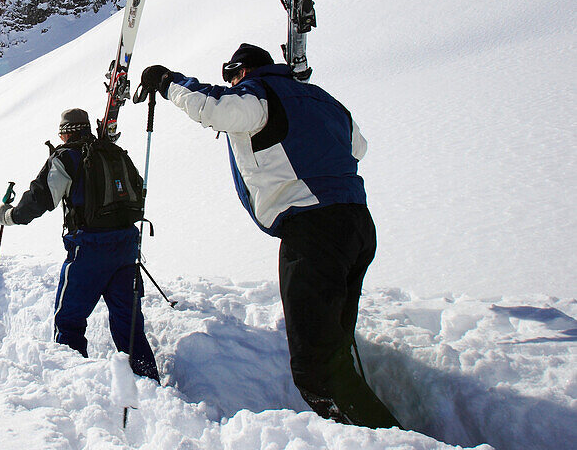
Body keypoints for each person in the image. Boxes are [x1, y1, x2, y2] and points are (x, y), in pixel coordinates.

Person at [139, 43, 400, 429]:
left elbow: (213, 108)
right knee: (333, 347)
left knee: (316, 371)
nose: (229, 82)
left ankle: (392, 447)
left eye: (231, 74)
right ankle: (370, 435)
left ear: (243, 71)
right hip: (357, 224)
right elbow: (358, 147)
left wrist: (168, 82)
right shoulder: (324, 99)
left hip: (313, 232)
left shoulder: (257, 94)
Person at [0, 108, 160, 382]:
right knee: (129, 324)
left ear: (66, 132)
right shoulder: (115, 152)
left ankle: (75, 385)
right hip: (127, 247)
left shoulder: (66, 158)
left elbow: (41, 198)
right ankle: (147, 383)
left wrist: (9, 215)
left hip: (89, 250)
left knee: (68, 320)